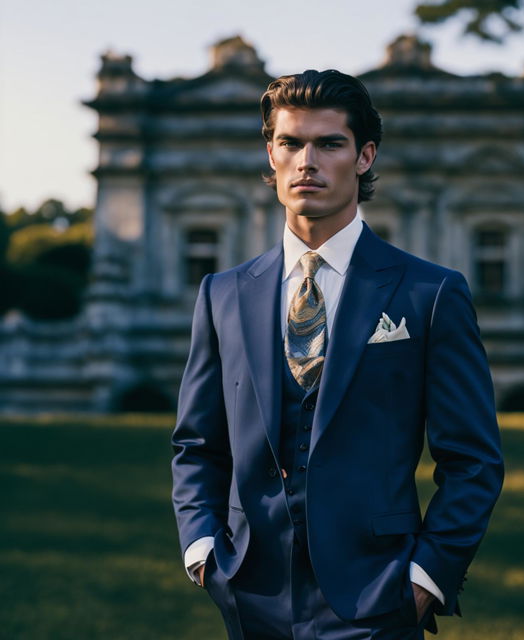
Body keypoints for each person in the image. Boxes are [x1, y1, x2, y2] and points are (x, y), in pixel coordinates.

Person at [171, 69, 504, 640]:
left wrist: (427, 578)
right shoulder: (222, 293)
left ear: (365, 156)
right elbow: (197, 443)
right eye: (290, 143)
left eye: (329, 144)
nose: (307, 161)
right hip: (251, 596)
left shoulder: (431, 293)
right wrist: (203, 550)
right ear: (270, 155)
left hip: (380, 597)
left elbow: (473, 459)